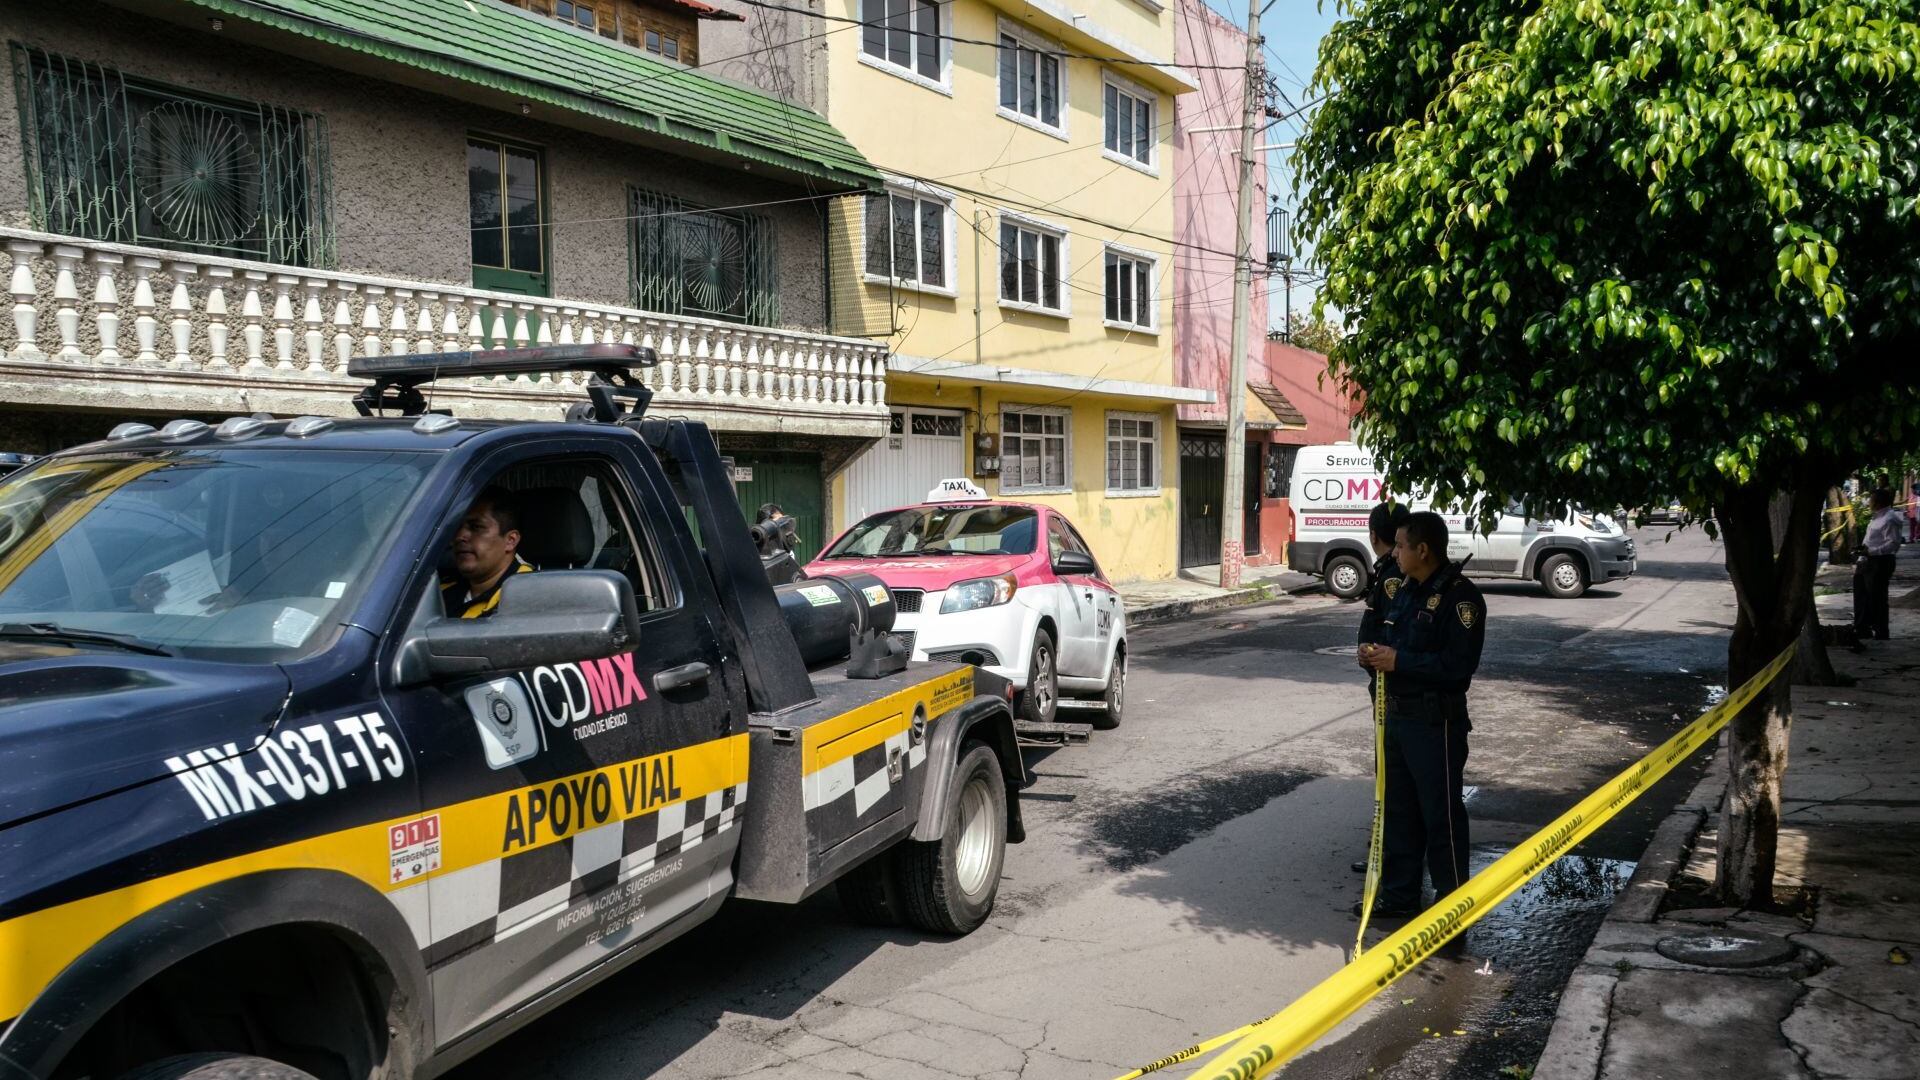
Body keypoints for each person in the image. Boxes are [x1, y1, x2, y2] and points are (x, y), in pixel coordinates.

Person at [1356, 511, 1486, 921]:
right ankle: (1399, 896)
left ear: (1422, 550)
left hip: (1434, 724)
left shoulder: (1460, 598)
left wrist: (1401, 661)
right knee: (1398, 811)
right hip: (1396, 718)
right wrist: (1373, 655)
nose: (1394, 553)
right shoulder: (1406, 589)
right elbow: (1387, 637)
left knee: (1440, 815)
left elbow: (1456, 667)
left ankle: (1450, 907)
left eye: (1399, 546)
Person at [1351, 500, 1411, 874]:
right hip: (1386, 682)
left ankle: (1389, 854)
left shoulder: (1391, 576)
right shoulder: (1390, 571)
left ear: (1375, 536)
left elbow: (1393, 629)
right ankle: (1388, 849)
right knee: (1388, 769)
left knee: (1389, 771)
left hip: (1392, 685)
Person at [442, 487, 532, 619]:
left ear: (510, 541)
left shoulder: (529, 595)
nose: (460, 536)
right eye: (457, 527)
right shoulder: (438, 592)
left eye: (476, 527)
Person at [1854, 488, 1904, 642]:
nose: (1869, 503)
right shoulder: (1877, 518)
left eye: (1871, 500)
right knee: (1861, 594)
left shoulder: (1890, 519)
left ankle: (1881, 631)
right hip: (1866, 561)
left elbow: (1893, 545)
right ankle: (1863, 628)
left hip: (1880, 562)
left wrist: (1872, 552)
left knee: (1877, 598)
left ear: (1878, 502)